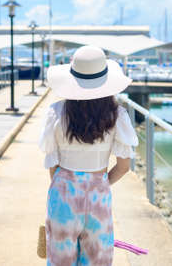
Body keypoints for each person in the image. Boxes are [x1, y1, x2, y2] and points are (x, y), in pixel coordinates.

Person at [39, 45, 138, 266]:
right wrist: (100, 183)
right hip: (98, 196)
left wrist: (64, 185)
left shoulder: (55, 113)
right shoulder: (117, 115)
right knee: (97, 259)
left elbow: (52, 163)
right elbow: (123, 167)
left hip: (63, 192)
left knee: (60, 259)